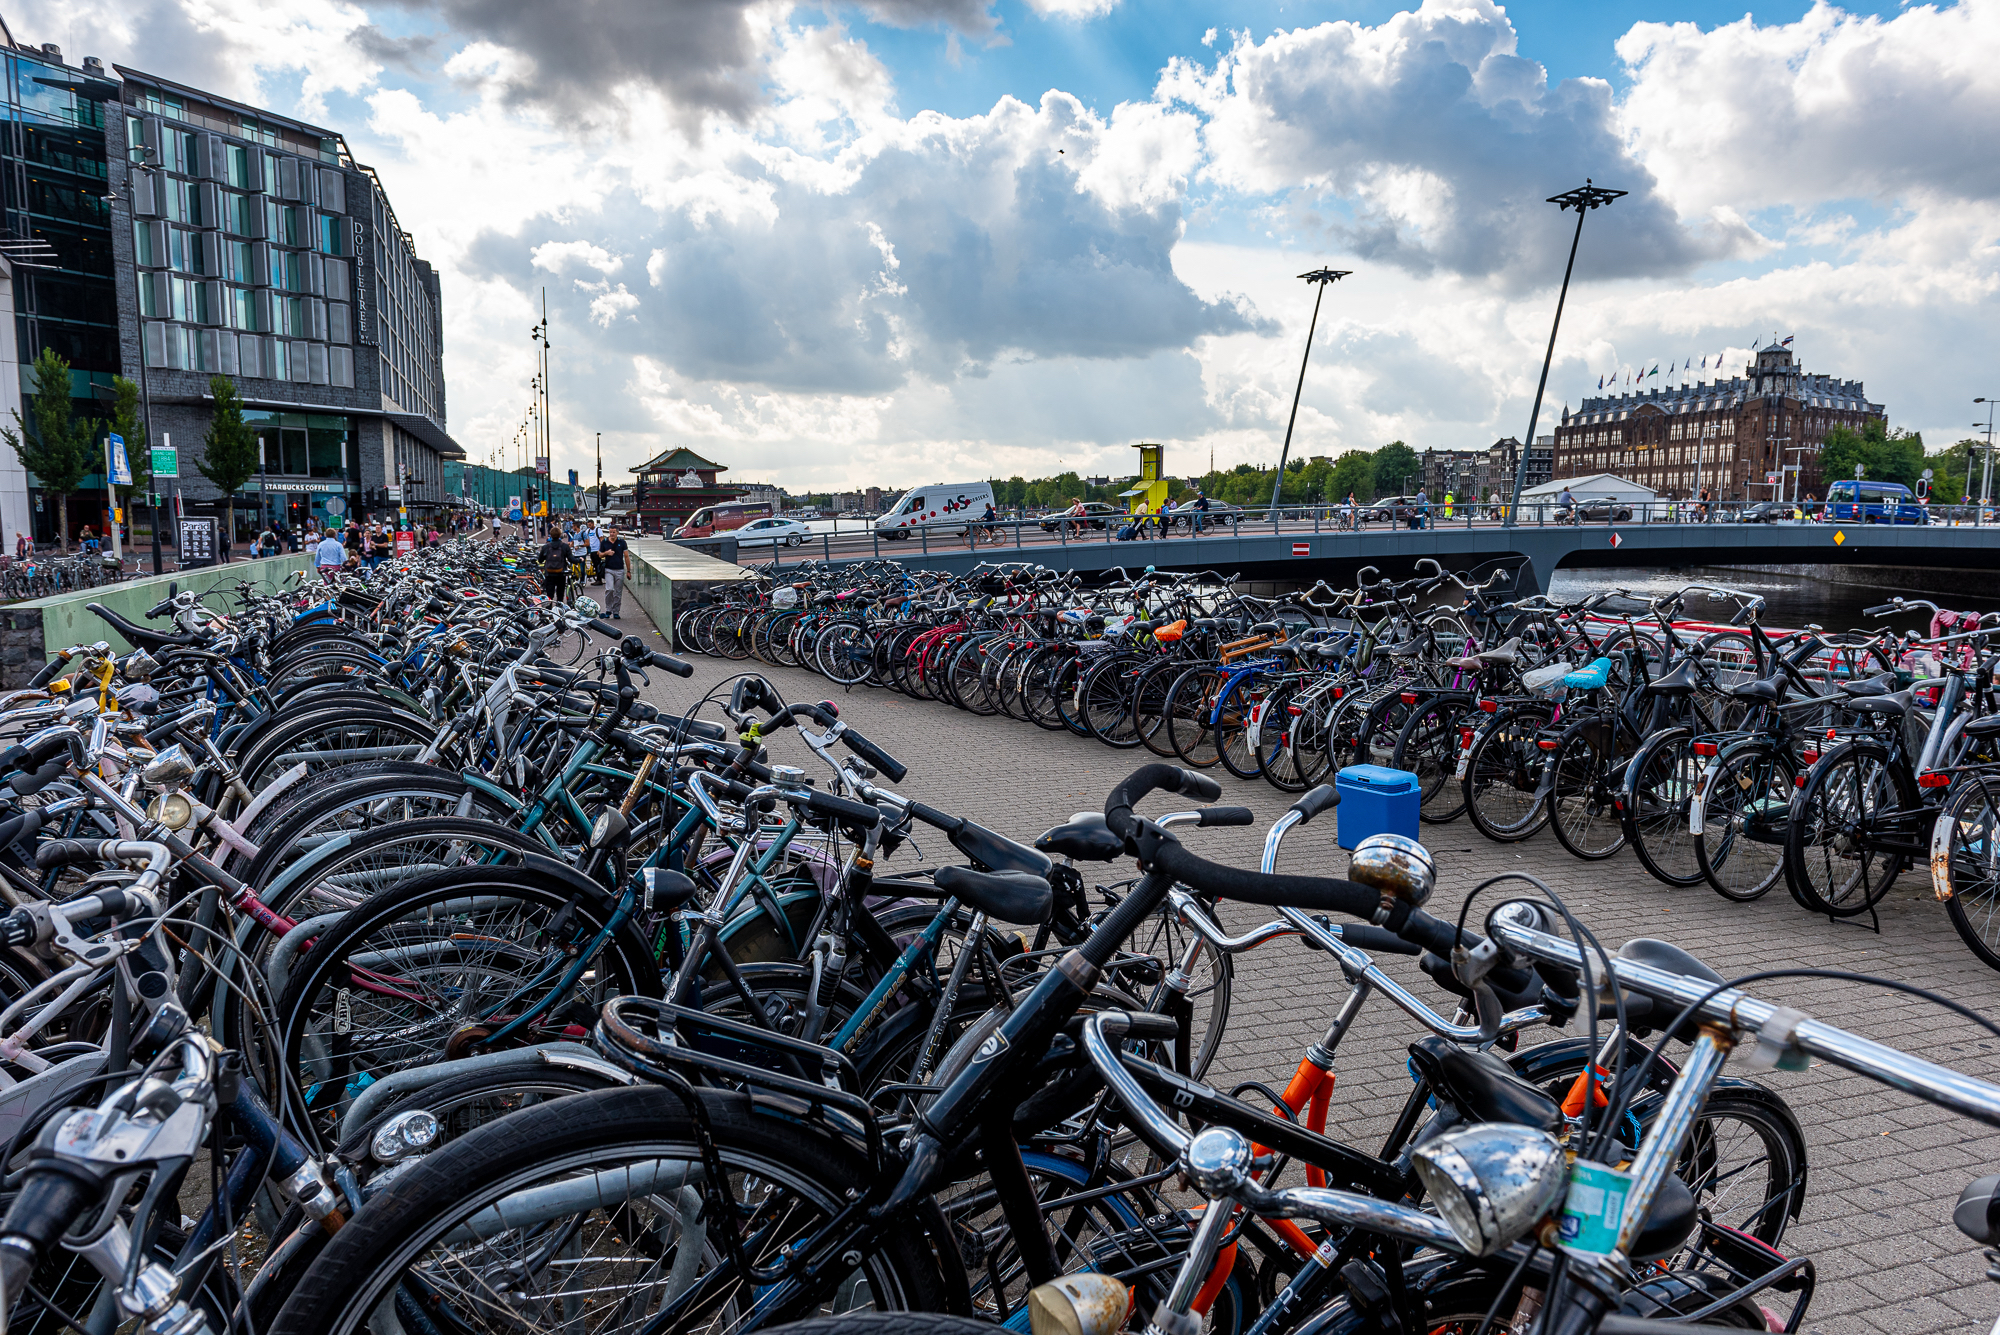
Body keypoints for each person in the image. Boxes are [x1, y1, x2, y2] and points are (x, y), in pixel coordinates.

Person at [602, 528, 629, 619]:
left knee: (618, 592)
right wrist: (606, 553)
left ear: (617, 532)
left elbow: (626, 556)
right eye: (610, 532)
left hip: (619, 569)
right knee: (609, 589)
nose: (612, 534)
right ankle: (608, 609)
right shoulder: (605, 542)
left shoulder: (622, 542)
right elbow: (600, 554)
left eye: (614, 532)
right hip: (608, 569)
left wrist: (628, 571)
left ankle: (616, 611)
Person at [540, 527, 573, 603]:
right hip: (561, 573)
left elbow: (540, 560)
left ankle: (549, 609)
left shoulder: (546, 547)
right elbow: (571, 559)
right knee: (560, 595)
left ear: (551, 535)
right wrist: (579, 560)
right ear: (560, 535)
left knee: (549, 595)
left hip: (549, 573)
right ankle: (559, 607)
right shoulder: (564, 546)